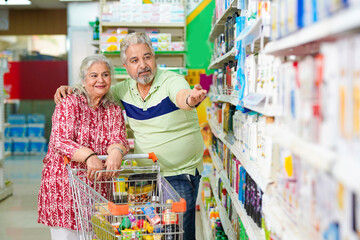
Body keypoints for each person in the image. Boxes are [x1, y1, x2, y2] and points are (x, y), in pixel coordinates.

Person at [54, 32, 207, 240]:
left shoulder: (172, 80)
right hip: (147, 176)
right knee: (150, 232)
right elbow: (97, 87)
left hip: (179, 173)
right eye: (134, 60)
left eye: (147, 57)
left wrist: (191, 99)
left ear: (154, 58)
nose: (143, 64)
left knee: (177, 233)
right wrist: (70, 90)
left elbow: (182, 97)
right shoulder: (123, 91)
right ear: (126, 67)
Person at [39, 54, 129, 240]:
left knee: (96, 234)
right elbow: (60, 140)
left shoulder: (112, 108)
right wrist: (90, 156)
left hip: (98, 187)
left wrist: (116, 151)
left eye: (105, 74)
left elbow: (119, 138)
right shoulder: (69, 102)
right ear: (83, 79)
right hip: (65, 187)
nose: (100, 80)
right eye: (93, 75)